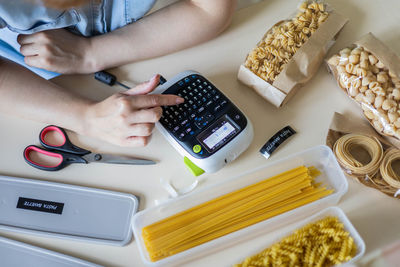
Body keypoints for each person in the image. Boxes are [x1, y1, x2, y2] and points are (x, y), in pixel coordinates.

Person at [0, 0, 235, 146]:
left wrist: (90, 53)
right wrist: (86, 118)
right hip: (29, 78)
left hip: (142, 34)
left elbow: (209, 9)